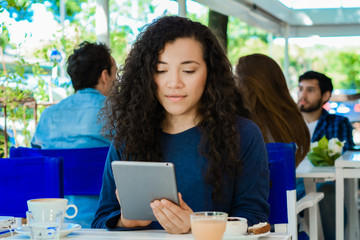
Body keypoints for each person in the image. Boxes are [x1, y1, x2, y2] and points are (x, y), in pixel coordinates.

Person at [91, 16, 270, 233]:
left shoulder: (243, 134)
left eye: (188, 71)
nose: (174, 83)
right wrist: (126, 221)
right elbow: (100, 221)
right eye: (160, 70)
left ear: (210, 74)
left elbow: (254, 219)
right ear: (147, 76)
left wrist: (197, 225)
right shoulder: (130, 135)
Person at [31, 41, 117, 228]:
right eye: (115, 75)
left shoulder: (48, 116)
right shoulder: (118, 113)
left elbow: (36, 162)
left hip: (54, 222)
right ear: (104, 76)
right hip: (106, 221)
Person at [297, 70, 354, 240]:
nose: (303, 95)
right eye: (300, 89)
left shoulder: (338, 123)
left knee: (328, 192)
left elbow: (346, 158)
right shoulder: (287, 124)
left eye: (310, 90)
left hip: (325, 183)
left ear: (325, 95)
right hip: (293, 183)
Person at [235, 53, 310, 168]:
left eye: (236, 77)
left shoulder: (245, 123)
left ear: (248, 83)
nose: (234, 84)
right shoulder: (292, 119)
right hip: (286, 184)